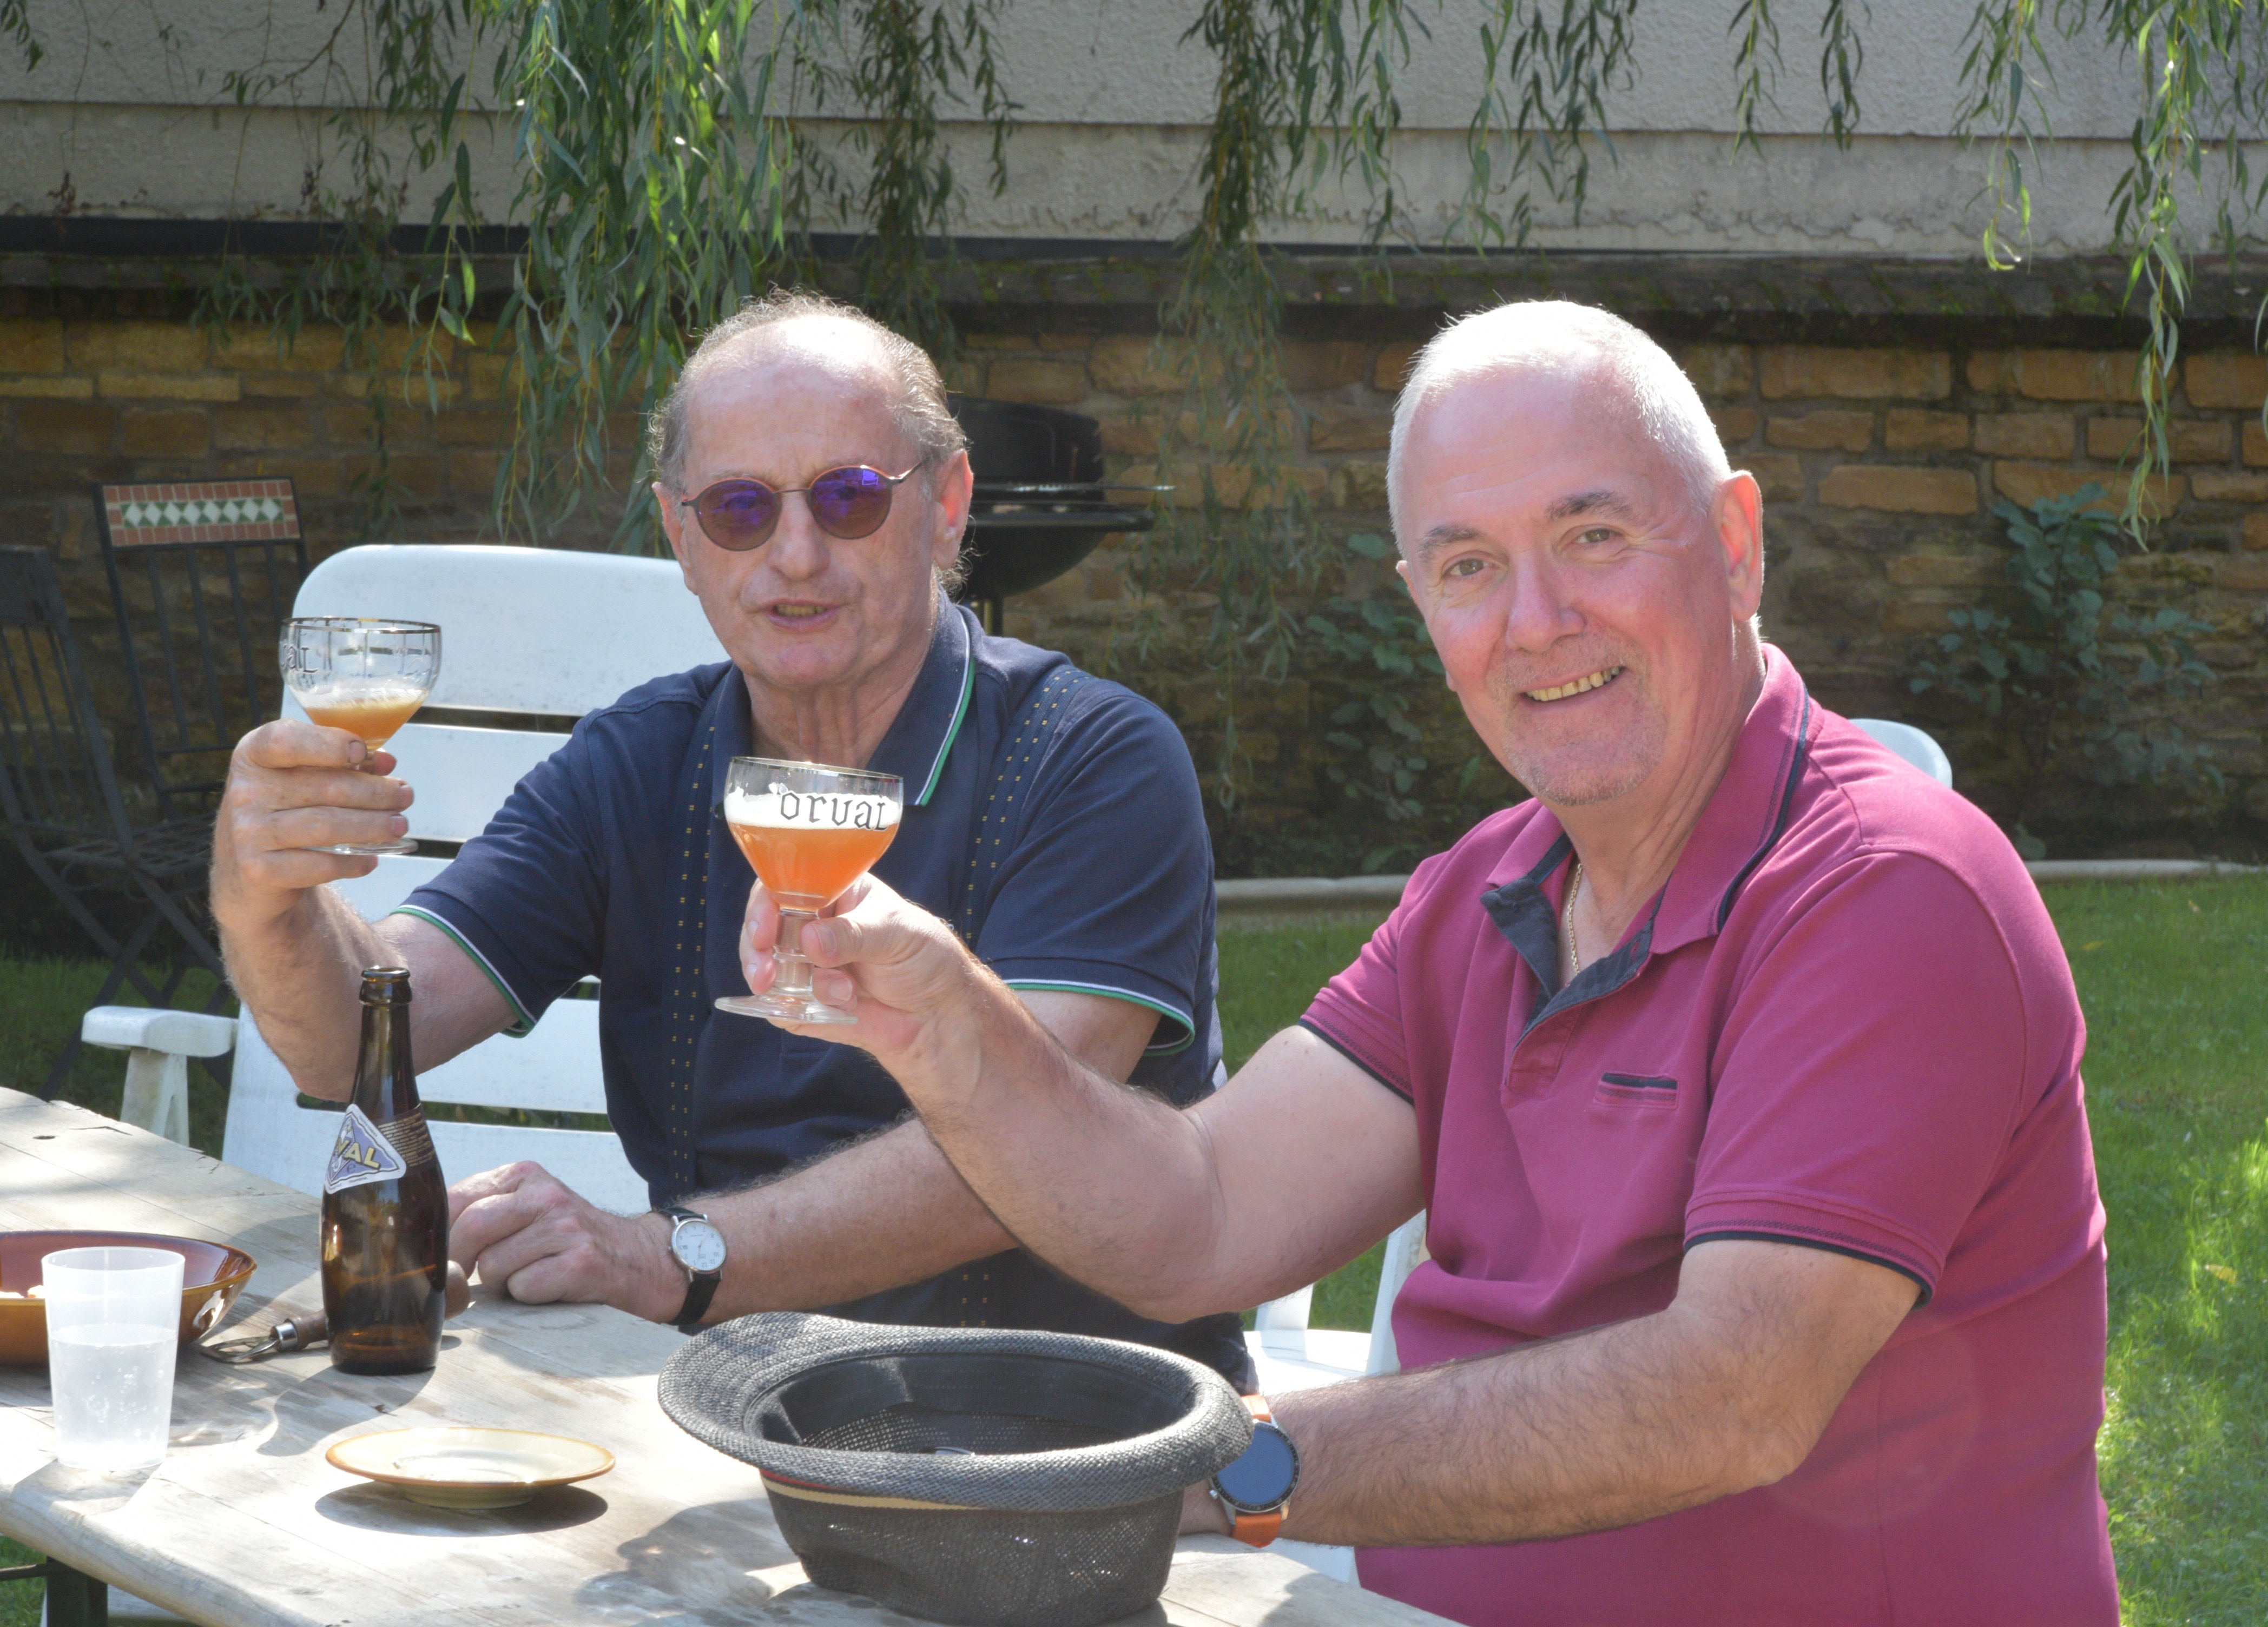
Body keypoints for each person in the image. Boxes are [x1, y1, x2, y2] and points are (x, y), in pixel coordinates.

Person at [756, 301, 2119, 1625]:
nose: (1537, 620)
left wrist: (1223, 1470)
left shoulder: (1885, 888)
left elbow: (1733, 1394)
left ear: (1735, 543)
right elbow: (1202, 1214)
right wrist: (949, 1027)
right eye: (1468, 566)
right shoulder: (1490, 891)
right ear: (1422, 605)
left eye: (1592, 536)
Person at [209, 290, 1250, 1387]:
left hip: (1066, 1424)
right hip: (731, 1409)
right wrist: (264, 896)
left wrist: (671, 1257)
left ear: (948, 506)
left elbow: (1043, 1154)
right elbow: (355, 1038)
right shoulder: (639, 763)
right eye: (740, 509)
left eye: (849, 498)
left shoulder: (1091, 761)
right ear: (681, 536)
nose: (795, 554)